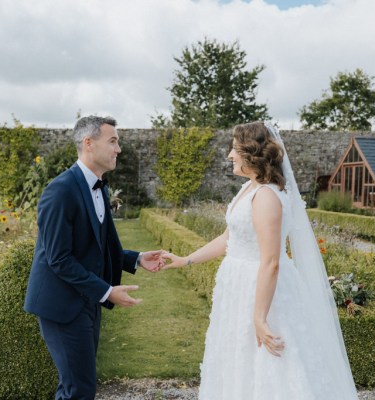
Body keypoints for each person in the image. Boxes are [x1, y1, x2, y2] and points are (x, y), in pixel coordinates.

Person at [163, 121, 358, 399]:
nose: (229, 155)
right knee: (238, 362)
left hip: (261, 291)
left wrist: (259, 318)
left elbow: (271, 261)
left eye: (234, 149)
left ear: (252, 153)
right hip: (238, 286)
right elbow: (228, 238)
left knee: (270, 366)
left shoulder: (266, 196)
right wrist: (185, 260)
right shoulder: (250, 188)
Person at [24, 115, 164, 400]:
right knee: (79, 390)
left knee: (76, 388)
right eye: (113, 141)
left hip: (87, 303)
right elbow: (59, 259)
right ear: (88, 143)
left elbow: (95, 247)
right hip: (62, 306)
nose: (119, 149)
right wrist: (107, 291)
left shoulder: (101, 187)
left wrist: (136, 259)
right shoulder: (60, 191)